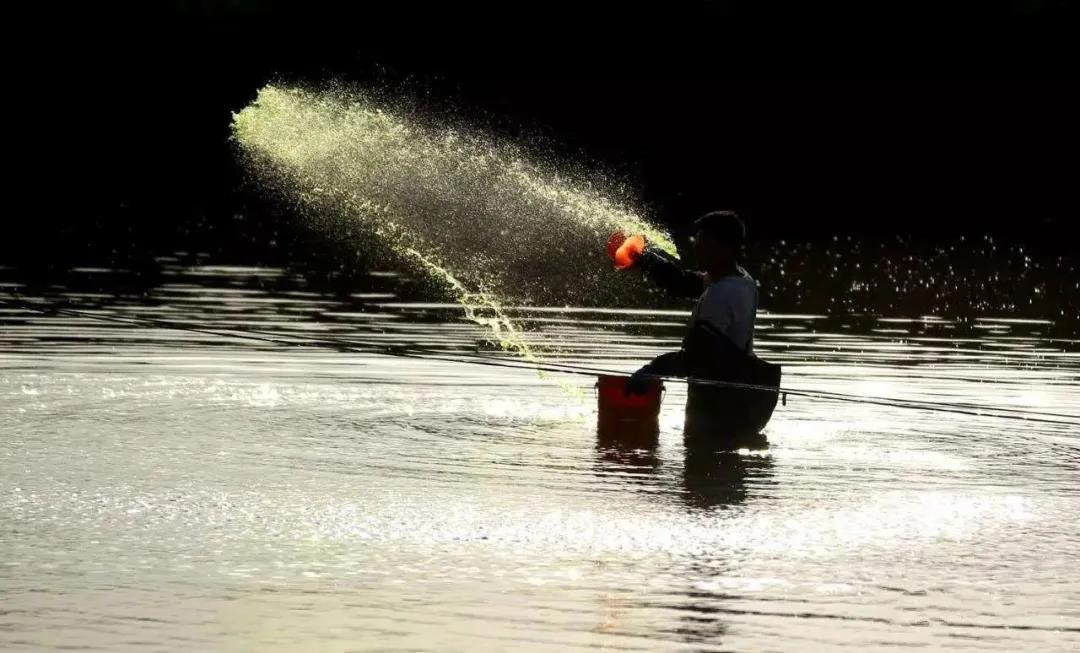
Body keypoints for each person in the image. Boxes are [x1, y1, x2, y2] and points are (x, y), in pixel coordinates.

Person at [625, 210, 780, 446]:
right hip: (736, 410)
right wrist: (646, 260)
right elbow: (683, 283)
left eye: (704, 240)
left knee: (703, 470)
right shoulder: (739, 280)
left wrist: (653, 369)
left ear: (725, 248)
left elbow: (697, 358)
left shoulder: (723, 294)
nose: (696, 245)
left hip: (719, 414)